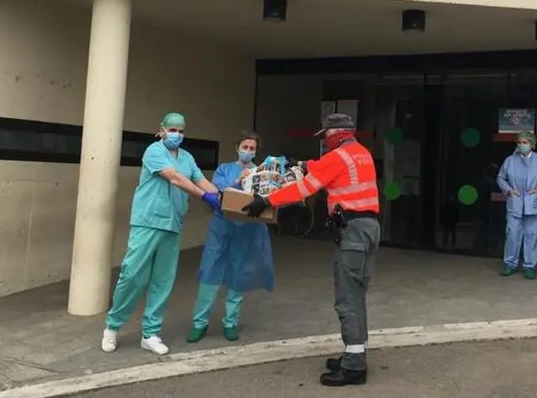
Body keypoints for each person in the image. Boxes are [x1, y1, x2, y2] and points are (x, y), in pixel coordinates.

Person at [243, 114, 380, 388]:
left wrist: (266, 201)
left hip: (352, 231)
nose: (323, 141)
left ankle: (354, 367)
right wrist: (301, 163)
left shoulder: (337, 157)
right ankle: (355, 352)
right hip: (368, 228)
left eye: (325, 136)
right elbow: (326, 169)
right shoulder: (360, 152)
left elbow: (302, 189)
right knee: (357, 295)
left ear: (336, 134)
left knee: (347, 299)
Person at [101, 112, 222, 355]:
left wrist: (223, 197)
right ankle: (112, 327)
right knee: (132, 274)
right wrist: (205, 197)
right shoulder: (153, 151)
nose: (177, 134)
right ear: (162, 129)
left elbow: (201, 181)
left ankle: (150, 333)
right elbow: (175, 178)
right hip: (148, 220)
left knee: (162, 281)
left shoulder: (187, 157)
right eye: (173, 129)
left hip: (173, 224)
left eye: (181, 131)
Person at [187, 132, 274, 343]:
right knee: (210, 273)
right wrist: (237, 181)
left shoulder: (261, 172)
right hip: (222, 227)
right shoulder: (224, 169)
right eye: (245, 146)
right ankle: (200, 323)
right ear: (237, 147)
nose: (248, 151)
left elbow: (269, 196)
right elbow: (217, 192)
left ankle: (230, 323)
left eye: (252, 148)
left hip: (248, 229)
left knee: (239, 274)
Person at [496, 131, 537, 279]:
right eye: (519, 143)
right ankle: (510, 263)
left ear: (532, 144)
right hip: (515, 202)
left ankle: (530, 266)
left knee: (532, 235)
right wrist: (508, 190)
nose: (521, 146)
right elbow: (501, 178)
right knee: (512, 234)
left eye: (525, 143)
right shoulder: (510, 160)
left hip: (533, 203)